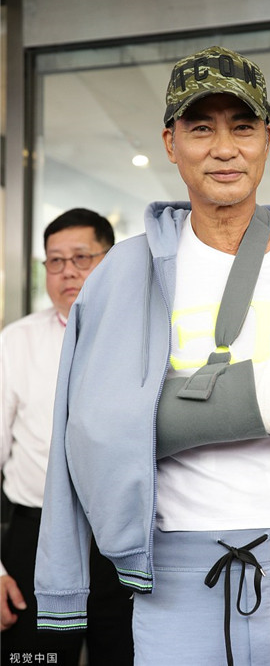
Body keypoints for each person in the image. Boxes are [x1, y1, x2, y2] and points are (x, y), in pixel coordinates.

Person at [34, 47, 270, 666]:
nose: (225, 148)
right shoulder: (122, 273)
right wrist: (64, 586)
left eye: (242, 127)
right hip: (173, 583)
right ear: (171, 142)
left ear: (267, 140)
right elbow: (81, 432)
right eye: (201, 128)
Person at [1, 208, 134, 664]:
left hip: (125, 542)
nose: (67, 271)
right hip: (36, 540)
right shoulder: (15, 342)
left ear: (111, 261)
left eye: (81, 257)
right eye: (55, 261)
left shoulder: (147, 337)